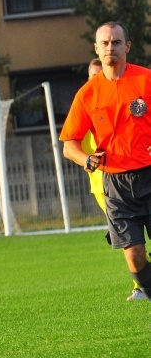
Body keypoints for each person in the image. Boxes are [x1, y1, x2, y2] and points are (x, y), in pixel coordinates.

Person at [60, 21, 151, 301]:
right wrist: (86, 159)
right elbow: (69, 145)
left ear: (127, 46)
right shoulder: (87, 94)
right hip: (116, 184)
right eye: (105, 43)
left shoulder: (146, 79)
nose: (111, 47)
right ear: (96, 48)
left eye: (116, 42)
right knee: (134, 255)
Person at [80, 58, 147, 301]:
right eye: (93, 75)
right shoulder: (86, 103)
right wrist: (87, 160)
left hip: (136, 176)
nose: (99, 78)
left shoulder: (124, 99)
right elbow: (72, 143)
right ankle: (140, 286)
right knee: (130, 238)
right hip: (103, 186)